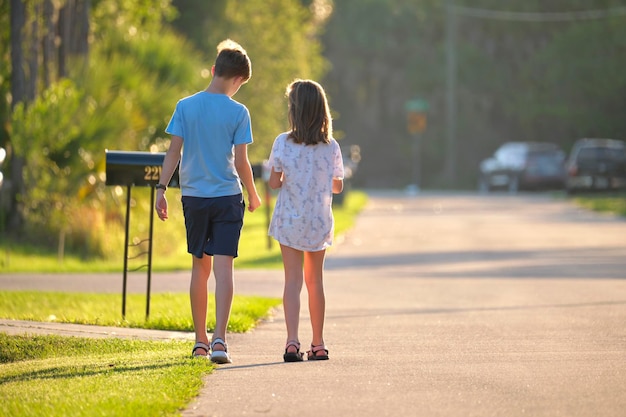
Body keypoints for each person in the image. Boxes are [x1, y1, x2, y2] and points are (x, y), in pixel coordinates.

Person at [155, 39, 261, 364]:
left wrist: (161, 189)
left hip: (195, 198)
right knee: (224, 269)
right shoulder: (238, 112)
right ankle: (219, 341)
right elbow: (242, 162)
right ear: (239, 80)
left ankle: (199, 341)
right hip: (228, 197)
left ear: (214, 70)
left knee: (200, 268)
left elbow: (173, 152)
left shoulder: (185, 106)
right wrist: (253, 193)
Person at [267, 79, 344, 362]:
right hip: (318, 221)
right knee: (315, 282)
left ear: (294, 110)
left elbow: (274, 182)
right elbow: (337, 186)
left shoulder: (282, 143)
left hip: (289, 220)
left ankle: (291, 342)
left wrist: (290, 175)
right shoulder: (330, 146)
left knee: (292, 281)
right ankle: (318, 343)